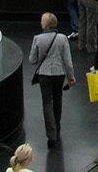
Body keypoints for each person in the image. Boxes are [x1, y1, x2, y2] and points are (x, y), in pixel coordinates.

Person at [28, 12, 74, 148]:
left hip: (44, 75)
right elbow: (68, 60)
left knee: (47, 103)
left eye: (42, 20)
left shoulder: (37, 38)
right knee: (58, 99)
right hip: (59, 74)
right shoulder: (62, 38)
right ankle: (57, 126)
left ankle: (51, 135)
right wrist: (71, 77)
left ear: (46, 24)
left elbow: (32, 60)